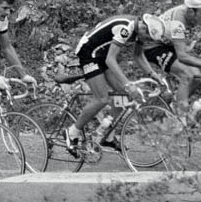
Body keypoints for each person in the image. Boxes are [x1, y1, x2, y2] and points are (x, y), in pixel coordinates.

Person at [65, 14, 165, 154]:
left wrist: (153, 74)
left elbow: (138, 56)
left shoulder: (139, 29)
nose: (146, 40)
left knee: (124, 96)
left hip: (102, 54)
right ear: (144, 27)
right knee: (102, 99)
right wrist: (128, 84)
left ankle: (107, 135)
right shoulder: (126, 28)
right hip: (88, 53)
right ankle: (72, 132)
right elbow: (110, 60)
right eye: (147, 37)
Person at [143, 0, 201, 116]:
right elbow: (182, 56)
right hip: (153, 46)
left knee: (197, 77)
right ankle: (180, 118)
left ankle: (175, 106)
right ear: (191, 12)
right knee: (188, 75)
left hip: (170, 43)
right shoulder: (178, 21)